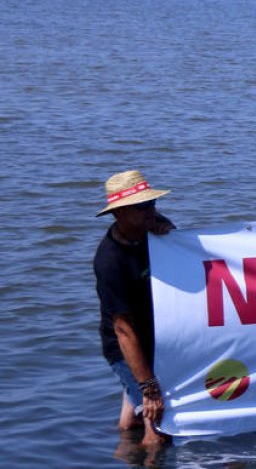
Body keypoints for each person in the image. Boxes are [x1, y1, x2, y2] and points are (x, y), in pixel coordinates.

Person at [93, 170, 175, 447]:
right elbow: (123, 330)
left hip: (154, 339)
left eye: (152, 203)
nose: (151, 210)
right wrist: (149, 388)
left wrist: (170, 234)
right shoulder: (110, 261)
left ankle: (122, 450)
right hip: (127, 346)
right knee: (160, 426)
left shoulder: (151, 228)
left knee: (131, 423)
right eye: (142, 206)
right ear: (120, 213)